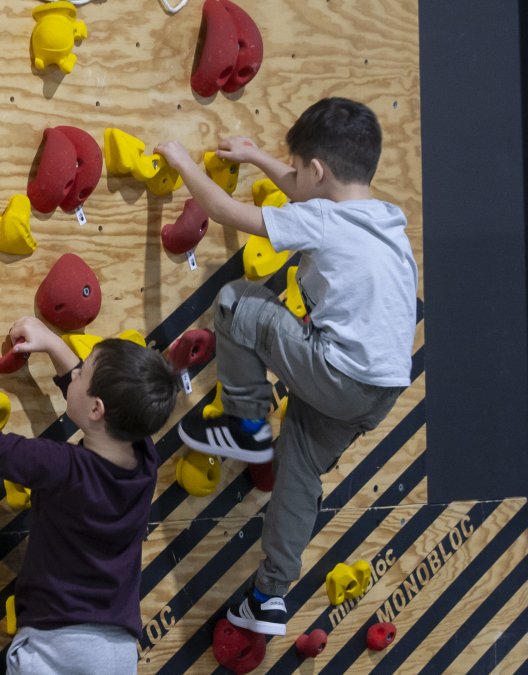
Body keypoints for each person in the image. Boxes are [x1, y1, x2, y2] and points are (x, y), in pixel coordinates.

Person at [154, 97, 418, 636]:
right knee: (298, 469)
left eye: (296, 168)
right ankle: (268, 597)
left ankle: (246, 424)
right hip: (380, 390)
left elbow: (229, 213)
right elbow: (309, 188)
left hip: (338, 370)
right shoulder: (386, 219)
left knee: (238, 301)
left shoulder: (324, 219)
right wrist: (255, 158)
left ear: (316, 170)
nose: (291, 176)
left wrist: (183, 164)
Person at [0, 317, 179, 674]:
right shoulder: (145, 458)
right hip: (118, 652)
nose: (76, 373)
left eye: (82, 372)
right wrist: (53, 344)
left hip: (60, 648)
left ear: (98, 408)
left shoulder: (63, 467)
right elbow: (99, 404)